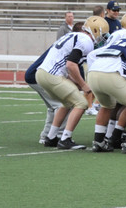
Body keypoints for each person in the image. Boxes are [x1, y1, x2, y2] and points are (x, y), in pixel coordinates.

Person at [36, 16, 109, 150]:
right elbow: (71, 65)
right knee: (81, 103)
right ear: (94, 30)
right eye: (102, 34)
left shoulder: (74, 35)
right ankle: (65, 139)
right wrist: (83, 85)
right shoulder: (85, 40)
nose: (102, 38)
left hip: (42, 73)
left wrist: (76, 82)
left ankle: (51, 137)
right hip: (52, 75)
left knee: (67, 103)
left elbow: (67, 65)